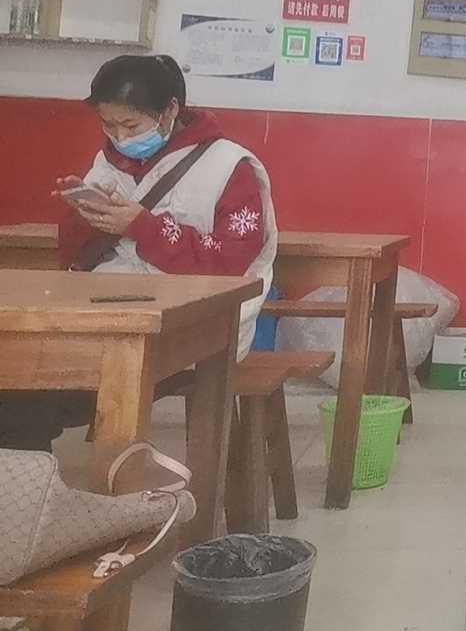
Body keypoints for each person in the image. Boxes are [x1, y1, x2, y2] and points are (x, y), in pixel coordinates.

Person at [0, 55, 277, 451]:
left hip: (196, 323)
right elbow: (75, 258)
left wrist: (143, 226)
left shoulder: (229, 166)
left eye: (130, 125)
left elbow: (231, 263)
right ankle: (27, 476)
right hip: (107, 311)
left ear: (170, 111)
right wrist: (85, 214)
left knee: (34, 395)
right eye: (108, 125)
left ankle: (43, 464)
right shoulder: (108, 161)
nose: (120, 137)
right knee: (18, 382)